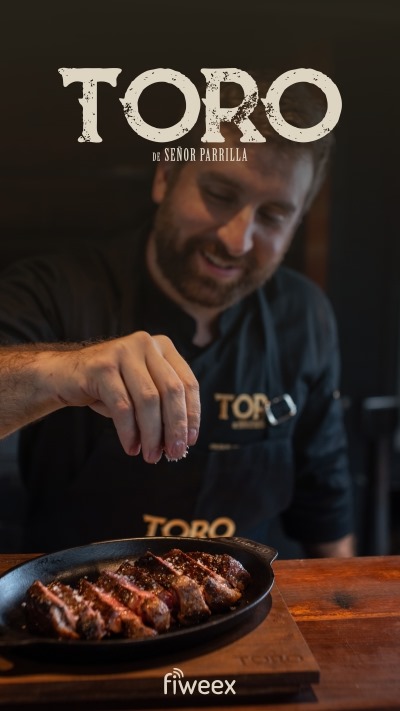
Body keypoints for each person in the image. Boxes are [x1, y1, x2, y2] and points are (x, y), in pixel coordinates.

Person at [0, 74, 355, 555]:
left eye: (273, 215)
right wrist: (64, 370)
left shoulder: (305, 314)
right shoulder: (55, 288)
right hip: (82, 593)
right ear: (165, 176)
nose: (237, 240)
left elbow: (326, 508)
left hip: (252, 596)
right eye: (220, 194)